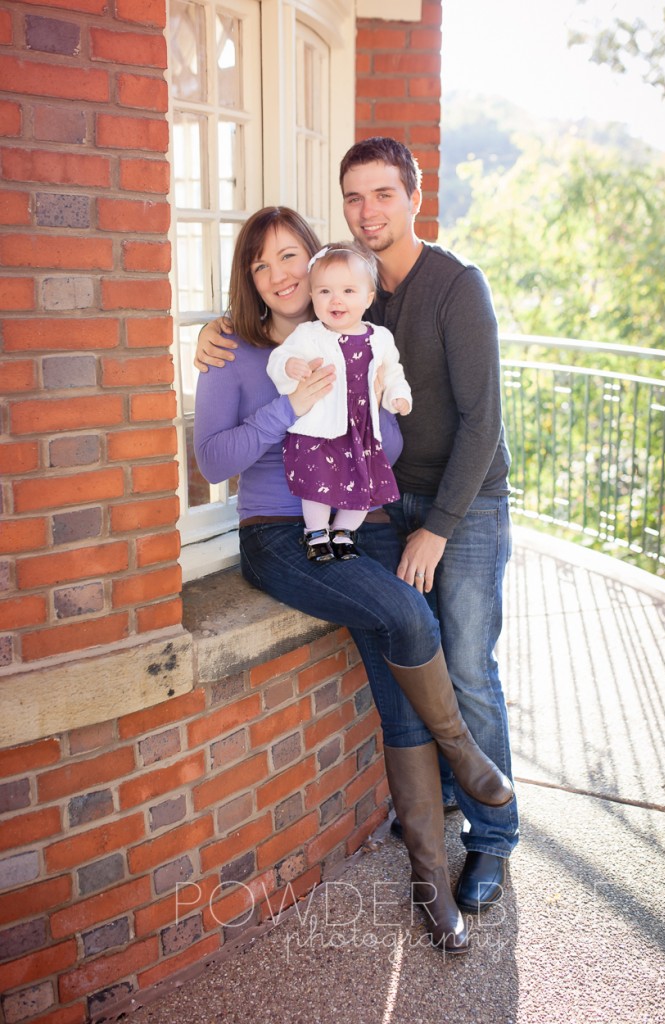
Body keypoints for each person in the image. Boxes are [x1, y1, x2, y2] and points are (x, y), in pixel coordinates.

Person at [196, 138, 520, 917]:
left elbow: (436, 432)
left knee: (441, 671)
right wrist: (288, 402)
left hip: (416, 509)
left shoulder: (388, 315)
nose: (282, 275)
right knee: (412, 628)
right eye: (263, 264)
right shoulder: (246, 350)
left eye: (294, 258)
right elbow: (215, 459)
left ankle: (463, 856)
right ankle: (463, 783)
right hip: (312, 524)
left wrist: (373, 401)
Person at [266, 241, 412, 562]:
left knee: (363, 485)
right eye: (324, 292)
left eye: (348, 291)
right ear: (312, 296)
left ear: (368, 297)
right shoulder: (309, 335)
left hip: (360, 428)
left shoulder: (380, 337)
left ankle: (344, 532)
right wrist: (289, 366)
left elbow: (392, 373)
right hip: (320, 428)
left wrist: (398, 395)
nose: (336, 300)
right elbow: (280, 358)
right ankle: (317, 534)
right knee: (317, 484)